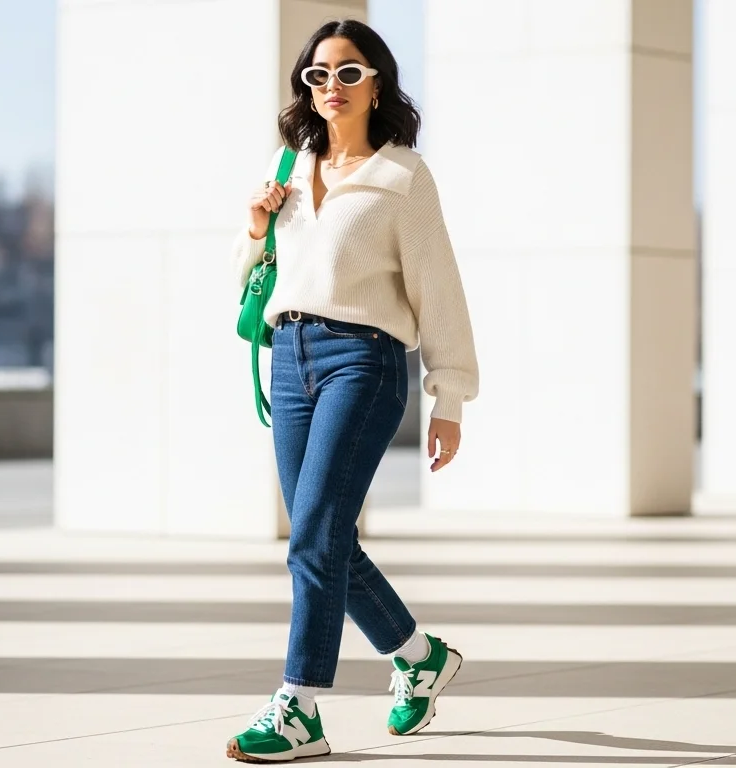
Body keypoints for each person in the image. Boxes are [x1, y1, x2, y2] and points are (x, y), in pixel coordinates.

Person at [225, 18, 479, 764]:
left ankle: (298, 708)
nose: (329, 87)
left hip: (360, 364)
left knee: (312, 536)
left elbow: (439, 289)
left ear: (376, 82)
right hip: (290, 358)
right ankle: (420, 657)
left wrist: (450, 398)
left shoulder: (403, 176)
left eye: (346, 72)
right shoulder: (291, 165)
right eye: (316, 75)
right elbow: (247, 279)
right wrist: (254, 226)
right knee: (326, 535)